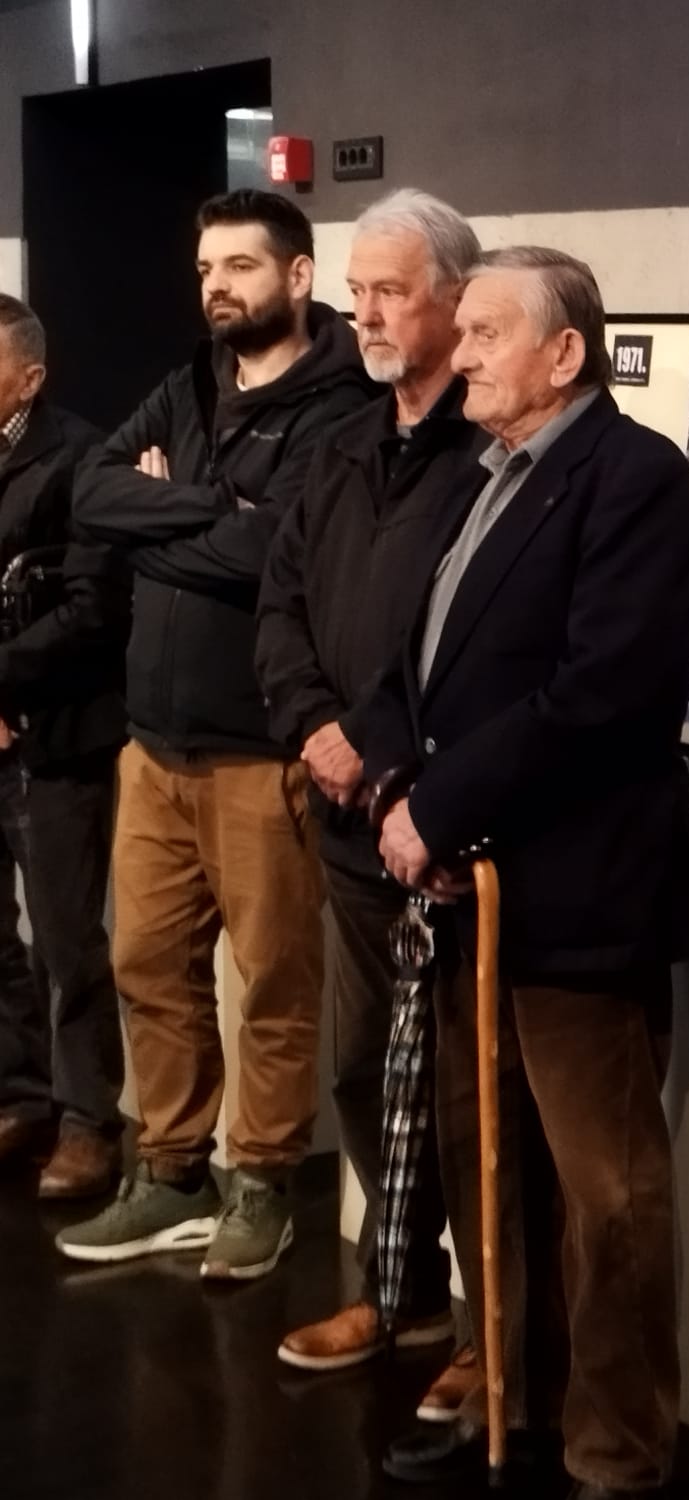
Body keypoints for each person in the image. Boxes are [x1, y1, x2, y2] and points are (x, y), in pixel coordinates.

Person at [363, 246, 689, 1500]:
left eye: (486, 333)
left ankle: (614, 1452)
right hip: (470, 892)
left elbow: (602, 695)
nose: (459, 356)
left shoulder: (636, 480)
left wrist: (441, 805)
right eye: (462, 331)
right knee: (488, 1167)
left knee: (603, 1193)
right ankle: (509, 1396)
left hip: (578, 897)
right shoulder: (480, 475)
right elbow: (419, 662)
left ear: (564, 353)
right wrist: (401, 788)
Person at [61, 190, 375, 1277]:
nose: (217, 288)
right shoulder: (189, 382)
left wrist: (164, 518)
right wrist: (209, 511)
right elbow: (91, 493)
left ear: (299, 275)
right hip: (154, 747)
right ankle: (170, 1169)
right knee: (147, 965)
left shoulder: (344, 404)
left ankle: (264, 1185)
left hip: (261, 752)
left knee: (274, 983)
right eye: (205, 269)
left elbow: (279, 553)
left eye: (240, 266)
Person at [254, 191, 488, 1406]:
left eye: (391, 292)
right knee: (358, 1072)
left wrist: (376, 745)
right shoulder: (343, 445)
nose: (367, 314)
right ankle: (400, 1294)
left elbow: (480, 642)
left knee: (460, 1093)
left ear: (455, 297)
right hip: (344, 823)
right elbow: (280, 603)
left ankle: (488, 1337)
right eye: (358, 292)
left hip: (438, 820)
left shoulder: (490, 450)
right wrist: (313, 725)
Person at [0, 293, 126, 1200]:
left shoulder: (83, 459)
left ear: (29, 378)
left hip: (55, 738)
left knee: (67, 942)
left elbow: (93, 612)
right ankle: (21, 1095)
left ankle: (89, 1123)